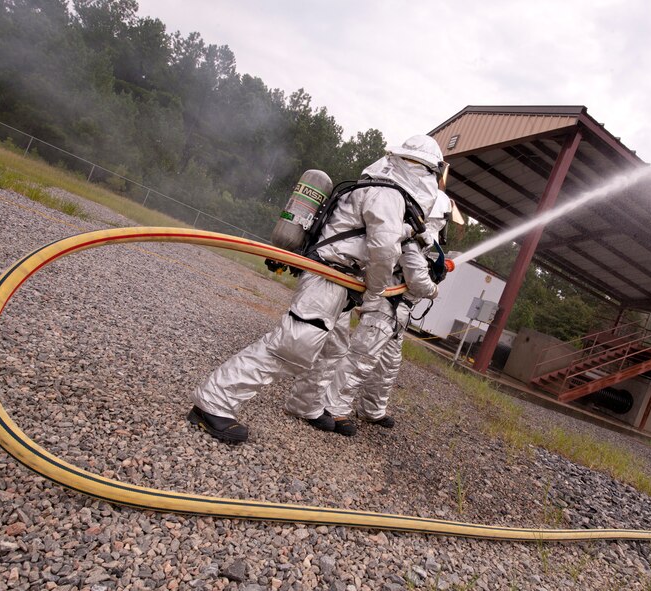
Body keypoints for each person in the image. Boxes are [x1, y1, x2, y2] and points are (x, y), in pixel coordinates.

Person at [187, 135, 446, 443]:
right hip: (330, 277)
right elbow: (383, 249)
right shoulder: (388, 195)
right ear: (423, 171)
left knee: (332, 348)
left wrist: (410, 232)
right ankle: (213, 403)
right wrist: (376, 291)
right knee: (291, 344)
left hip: (337, 282)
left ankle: (304, 405)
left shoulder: (377, 189)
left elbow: (379, 236)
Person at [322, 192, 454, 436]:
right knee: (361, 359)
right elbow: (417, 282)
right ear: (438, 217)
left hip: (397, 313)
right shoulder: (411, 241)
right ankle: (333, 408)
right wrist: (434, 287)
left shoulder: (420, 243)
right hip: (384, 309)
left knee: (388, 365)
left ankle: (372, 410)